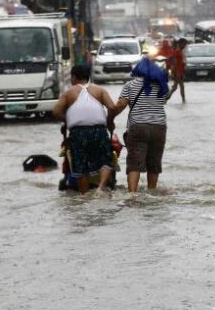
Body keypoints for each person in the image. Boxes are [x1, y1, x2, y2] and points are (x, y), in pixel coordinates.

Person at [52, 64, 118, 194]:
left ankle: (84, 195)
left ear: (74, 77)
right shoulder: (100, 90)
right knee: (105, 160)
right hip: (99, 131)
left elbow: (56, 111)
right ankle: (100, 188)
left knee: (80, 165)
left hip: (78, 133)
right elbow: (112, 107)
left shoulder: (69, 93)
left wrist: (68, 120)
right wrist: (109, 121)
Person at [112, 56, 171, 192]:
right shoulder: (161, 85)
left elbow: (121, 105)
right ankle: (151, 192)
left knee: (134, 162)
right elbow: (165, 99)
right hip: (159, 127)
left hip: (138, 127)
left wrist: (110, 118)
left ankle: (132, 194)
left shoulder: (130, 85)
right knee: (154, 163)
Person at [166, 38, 186, 103]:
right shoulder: (177, 52)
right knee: (178, 86)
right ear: (180, 44)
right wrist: (174, 73)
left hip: (180, 71)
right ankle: (183, 100)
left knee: (177, 87)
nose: (185, 46)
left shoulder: (180, 51)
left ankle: (167, 97)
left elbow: (182, 62)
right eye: (184, 44)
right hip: (177, 72)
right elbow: (174, 63)